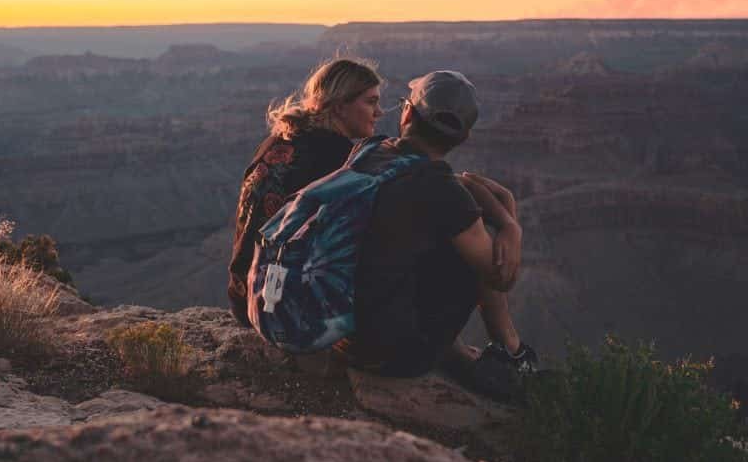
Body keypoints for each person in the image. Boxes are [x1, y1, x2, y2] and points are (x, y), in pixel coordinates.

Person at [337, 70, 535, 395]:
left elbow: (453, 183)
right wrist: (509, 222)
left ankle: (503, 350)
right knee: (475, 256)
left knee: (452, 245)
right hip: (389, 357)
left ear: (407, 113)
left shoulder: (371, 151)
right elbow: (501, 277)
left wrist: (503, 215)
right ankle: (512, 353)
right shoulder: (442, 193)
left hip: (341, 335)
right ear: (463, 138)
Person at [228, 58, 384, 326]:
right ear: (340, 105)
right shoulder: (336, 158)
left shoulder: (277, 140)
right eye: (370, 102)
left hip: (245, 297)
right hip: (280, 310)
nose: (379, 112)